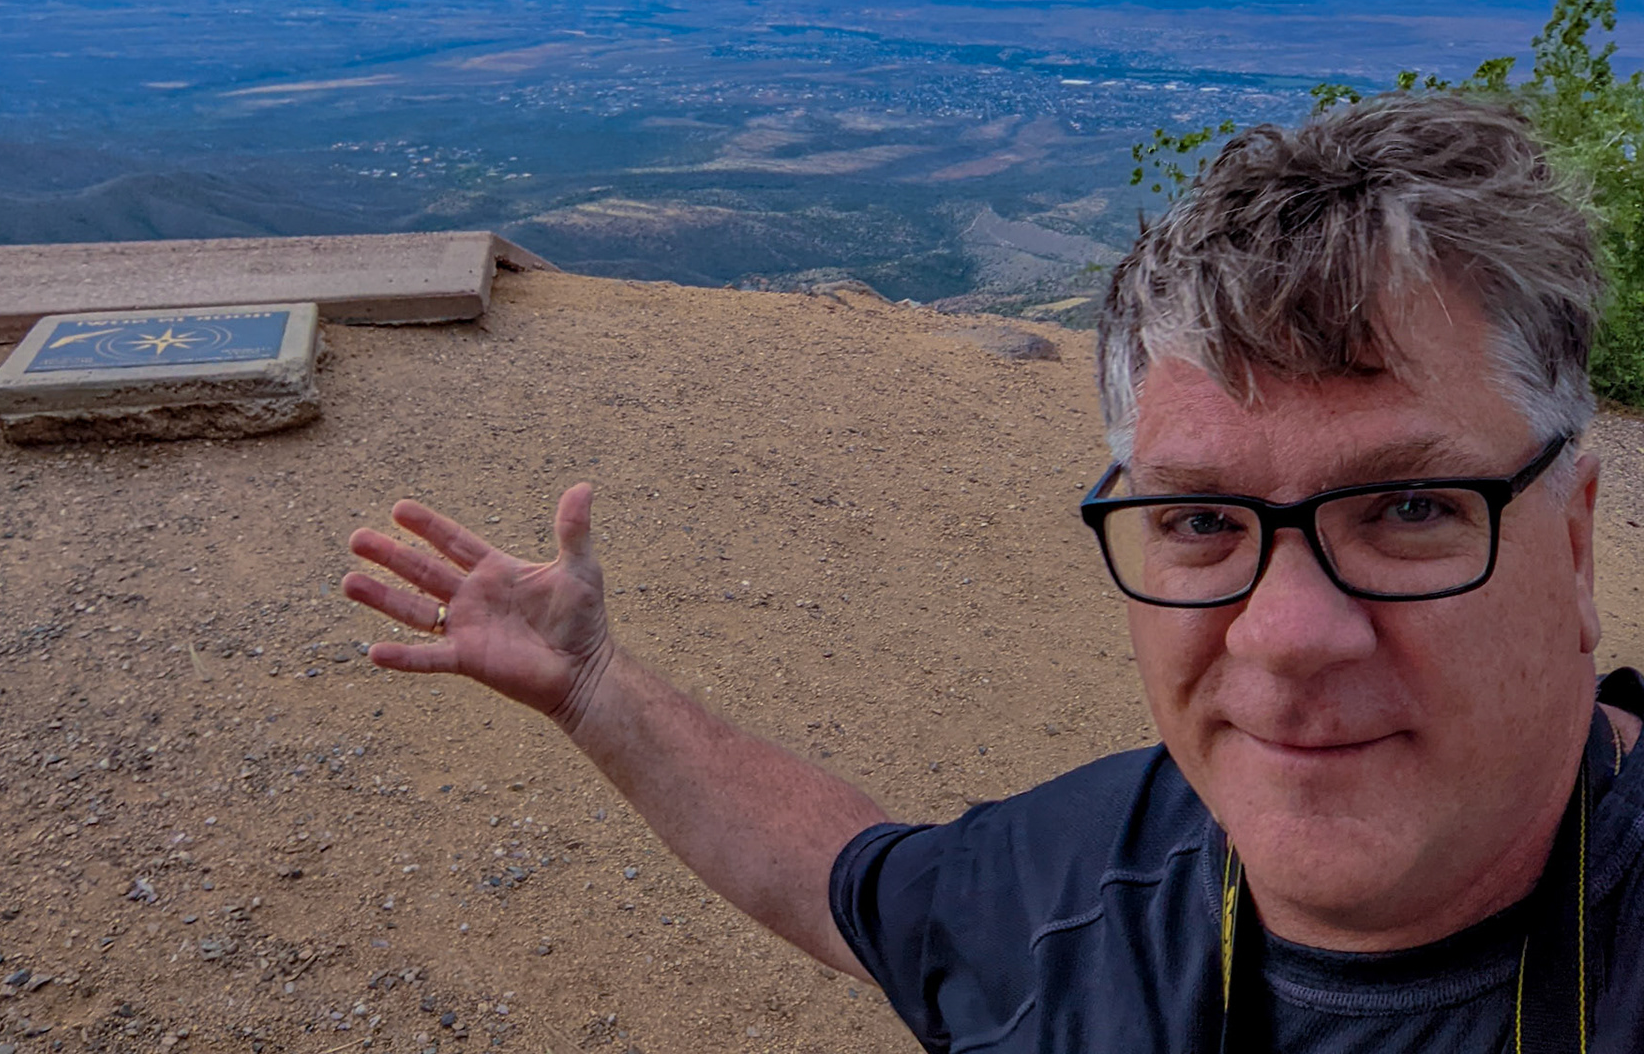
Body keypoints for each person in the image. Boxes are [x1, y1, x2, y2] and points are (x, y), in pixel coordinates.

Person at [344, 96, 1644, 1052]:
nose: (1287, 635)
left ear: (1576, 540)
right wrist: (594, 690)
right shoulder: (1087, 892)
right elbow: (851, 886)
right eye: (1199, 523)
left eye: (1408, 508)